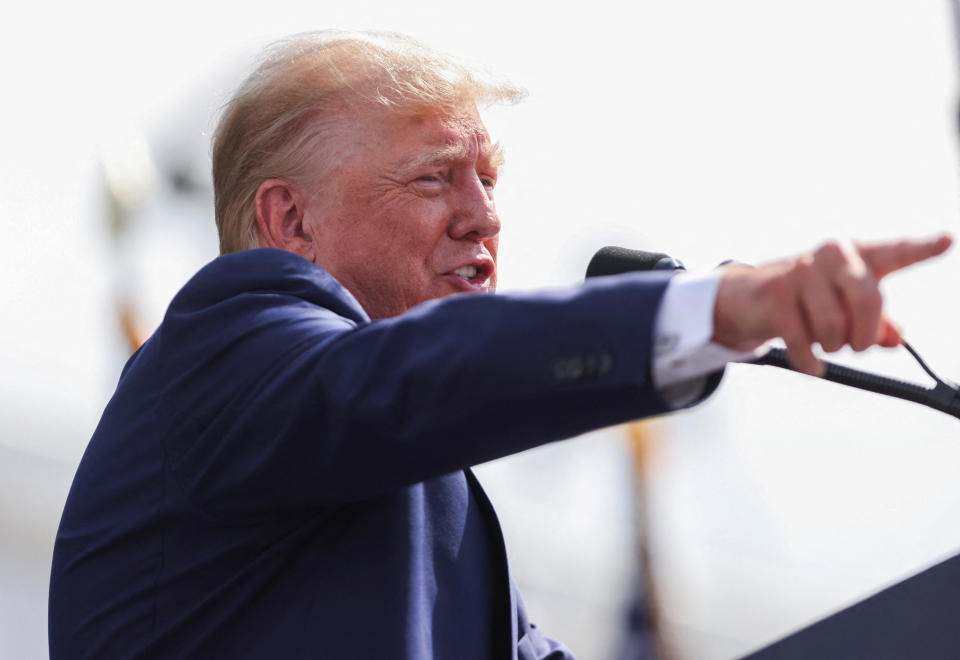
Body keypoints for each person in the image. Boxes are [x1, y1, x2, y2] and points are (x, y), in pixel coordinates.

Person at [49, 30, 951, 659]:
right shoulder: (230, 348)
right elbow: (426, 372)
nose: (486, 217)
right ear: (291, 218)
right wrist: (715, 308)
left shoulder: (405, 469)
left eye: (489, 178)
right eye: (437, 178)